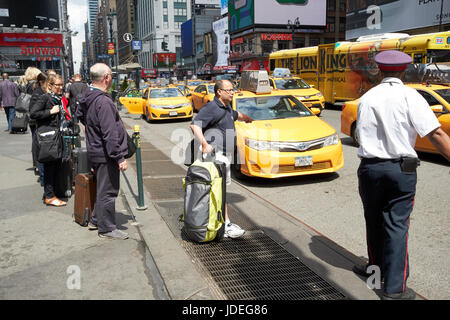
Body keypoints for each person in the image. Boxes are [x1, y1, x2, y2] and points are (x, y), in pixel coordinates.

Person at [353, 50, 450, 300]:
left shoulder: (367, 97)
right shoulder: (410, 96)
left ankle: (376, 273)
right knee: (396, 225)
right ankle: (394, 290)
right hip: (400, 170)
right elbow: (436, 135)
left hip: (370, 169)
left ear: (380, 70)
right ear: (405, 71)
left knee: (373, 222)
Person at [190, 79, 253, 239]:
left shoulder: (226, 107)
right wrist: (204, 143)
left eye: (233, 89)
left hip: (224, 156)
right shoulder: (211, 107)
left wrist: (248, 117)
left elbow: (235, 115)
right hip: (214, 156)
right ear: (219, 92)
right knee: (220, 190)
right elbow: (195, 125)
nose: (232, 92)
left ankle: (218, 221)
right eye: (229, 90)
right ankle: (225, 225)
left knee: (220, 190)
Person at [76, 63, 129, 240]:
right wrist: (119, 157)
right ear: (106, 77)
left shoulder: (88, 95)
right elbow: (110, 134)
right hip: (106, 154)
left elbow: (80, 115)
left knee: (103, 188)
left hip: (97, 150)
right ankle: (107, 229)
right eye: (111, 75)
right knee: (109, 191)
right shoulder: (103, 101)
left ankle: (96, 220)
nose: (112, 78)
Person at [30, 74, 67, 207]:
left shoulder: (58, 98)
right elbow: (33, 113)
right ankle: (50, 196)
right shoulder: (46, 98)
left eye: (62, 84)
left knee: (56, 165)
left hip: (56, 137)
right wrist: (50, 112)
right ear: (50, 86)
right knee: (50, 167)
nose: (61, 87)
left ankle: (53, 193)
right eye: (57, 85)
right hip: (48, 138)